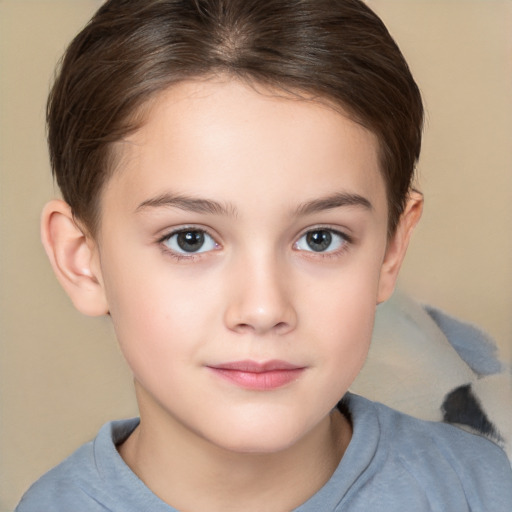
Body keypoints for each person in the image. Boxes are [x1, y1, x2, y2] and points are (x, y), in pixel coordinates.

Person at [15, 0, 512, 510]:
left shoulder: (482, 491)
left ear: (391, 248)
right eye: (190, 239)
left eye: (320, 238)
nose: (263, 309)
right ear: (82, 260)